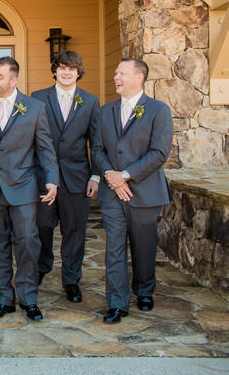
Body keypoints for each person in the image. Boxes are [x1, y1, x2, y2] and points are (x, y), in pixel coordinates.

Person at [0, 57, 58, 321]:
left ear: (13, 80)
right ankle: (3, 298)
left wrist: (52, 179)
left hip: (23, 188)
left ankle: (28, 298)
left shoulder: (34, 108)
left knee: (27, 242)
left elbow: (45, 147)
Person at [93, 57, 173, 323]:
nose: (116, 77)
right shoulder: (105, 111)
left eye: (121, 73)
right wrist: (111, 177)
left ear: (139, 77)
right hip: (112, 193)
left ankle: (144, 290)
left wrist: (125, 176)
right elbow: (97, 149)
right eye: (116, 72)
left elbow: (159, 153)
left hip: (145, 190)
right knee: (114, 247)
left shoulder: (158, 110)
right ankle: (117, 303)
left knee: (144, 245)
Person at [31, 51, 101, 303]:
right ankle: (41, 267)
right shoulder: (38, 98)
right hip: (43, 178)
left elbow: (97, 142)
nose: (66, 72)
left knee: (75, 231)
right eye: (62, 67)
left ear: (78, 72)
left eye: (72, 68)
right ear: (55, 70)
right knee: (41, 227)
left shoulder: (90, 102)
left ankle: (71, 279)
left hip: (77, 178)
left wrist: (96, 176)